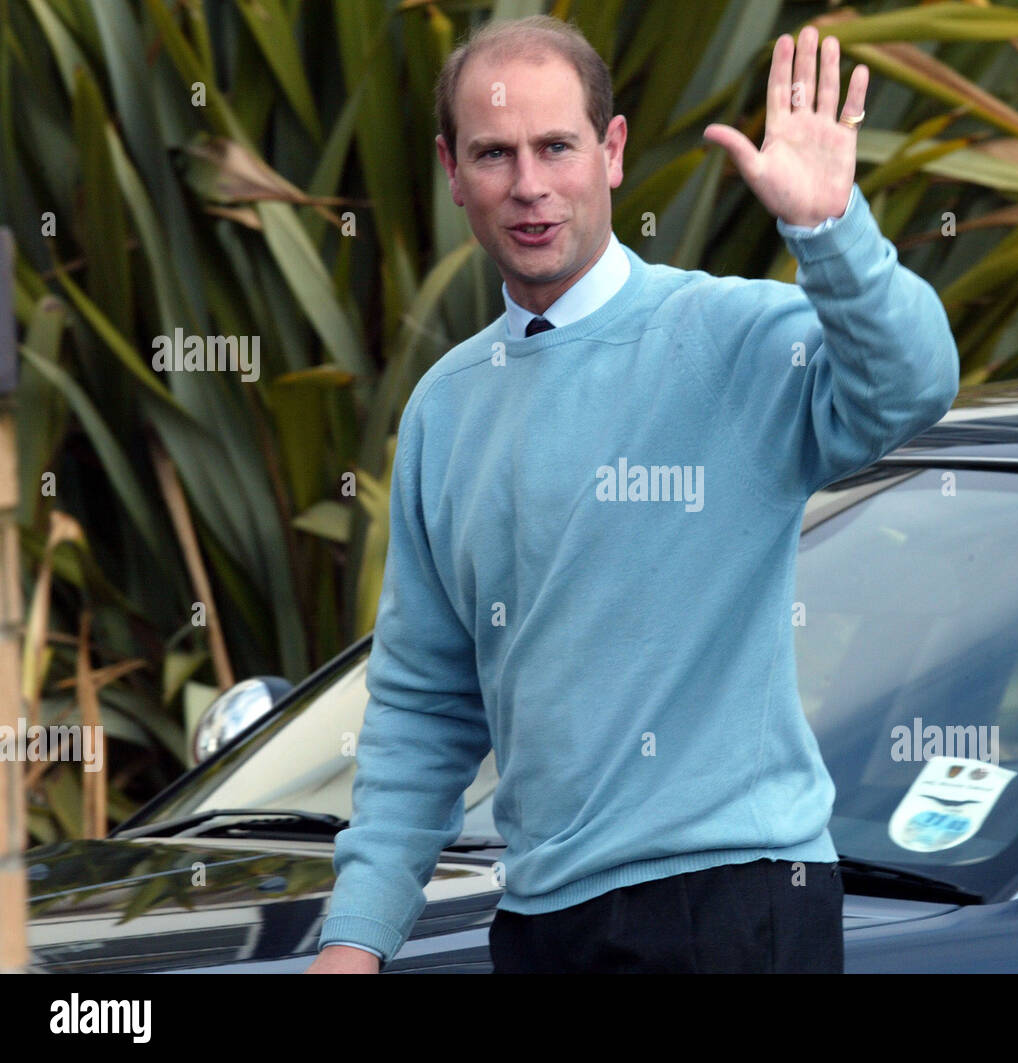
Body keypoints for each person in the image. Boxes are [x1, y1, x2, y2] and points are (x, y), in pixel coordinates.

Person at [306, 13, 959, 974]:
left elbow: (912, 383)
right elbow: (423, 704)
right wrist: (355, 935)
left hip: (737, 901)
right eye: (495, 154)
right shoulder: (445, 409)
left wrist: (828, 228)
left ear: (610, 152)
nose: (528, 185)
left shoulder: (731, 335)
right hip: (541, 918)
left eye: (556, 146)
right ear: (452, 171)